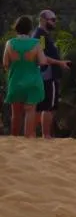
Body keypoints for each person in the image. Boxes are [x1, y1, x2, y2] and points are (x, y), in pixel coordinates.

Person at [5, 15, 68, 138]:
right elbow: (43, 61)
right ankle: (29, 138)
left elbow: (6, 64)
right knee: (30, 111)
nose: (54, 22)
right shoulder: (37, 42)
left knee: (16, 114)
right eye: (53, 19)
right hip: (33, 81)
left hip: (15, 81)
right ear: (30, 29)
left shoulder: (10, 43)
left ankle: (14, 139)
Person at [33, 10, 63, 139]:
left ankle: (34, 134)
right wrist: (60, 63)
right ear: (43, 19)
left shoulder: (43, 35)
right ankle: (46, 135)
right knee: (48, 107)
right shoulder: (41, 36)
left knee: (42, 107)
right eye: (52, 19)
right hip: (47, 75)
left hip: (45, 74)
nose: (54, 22)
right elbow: (42, 56)